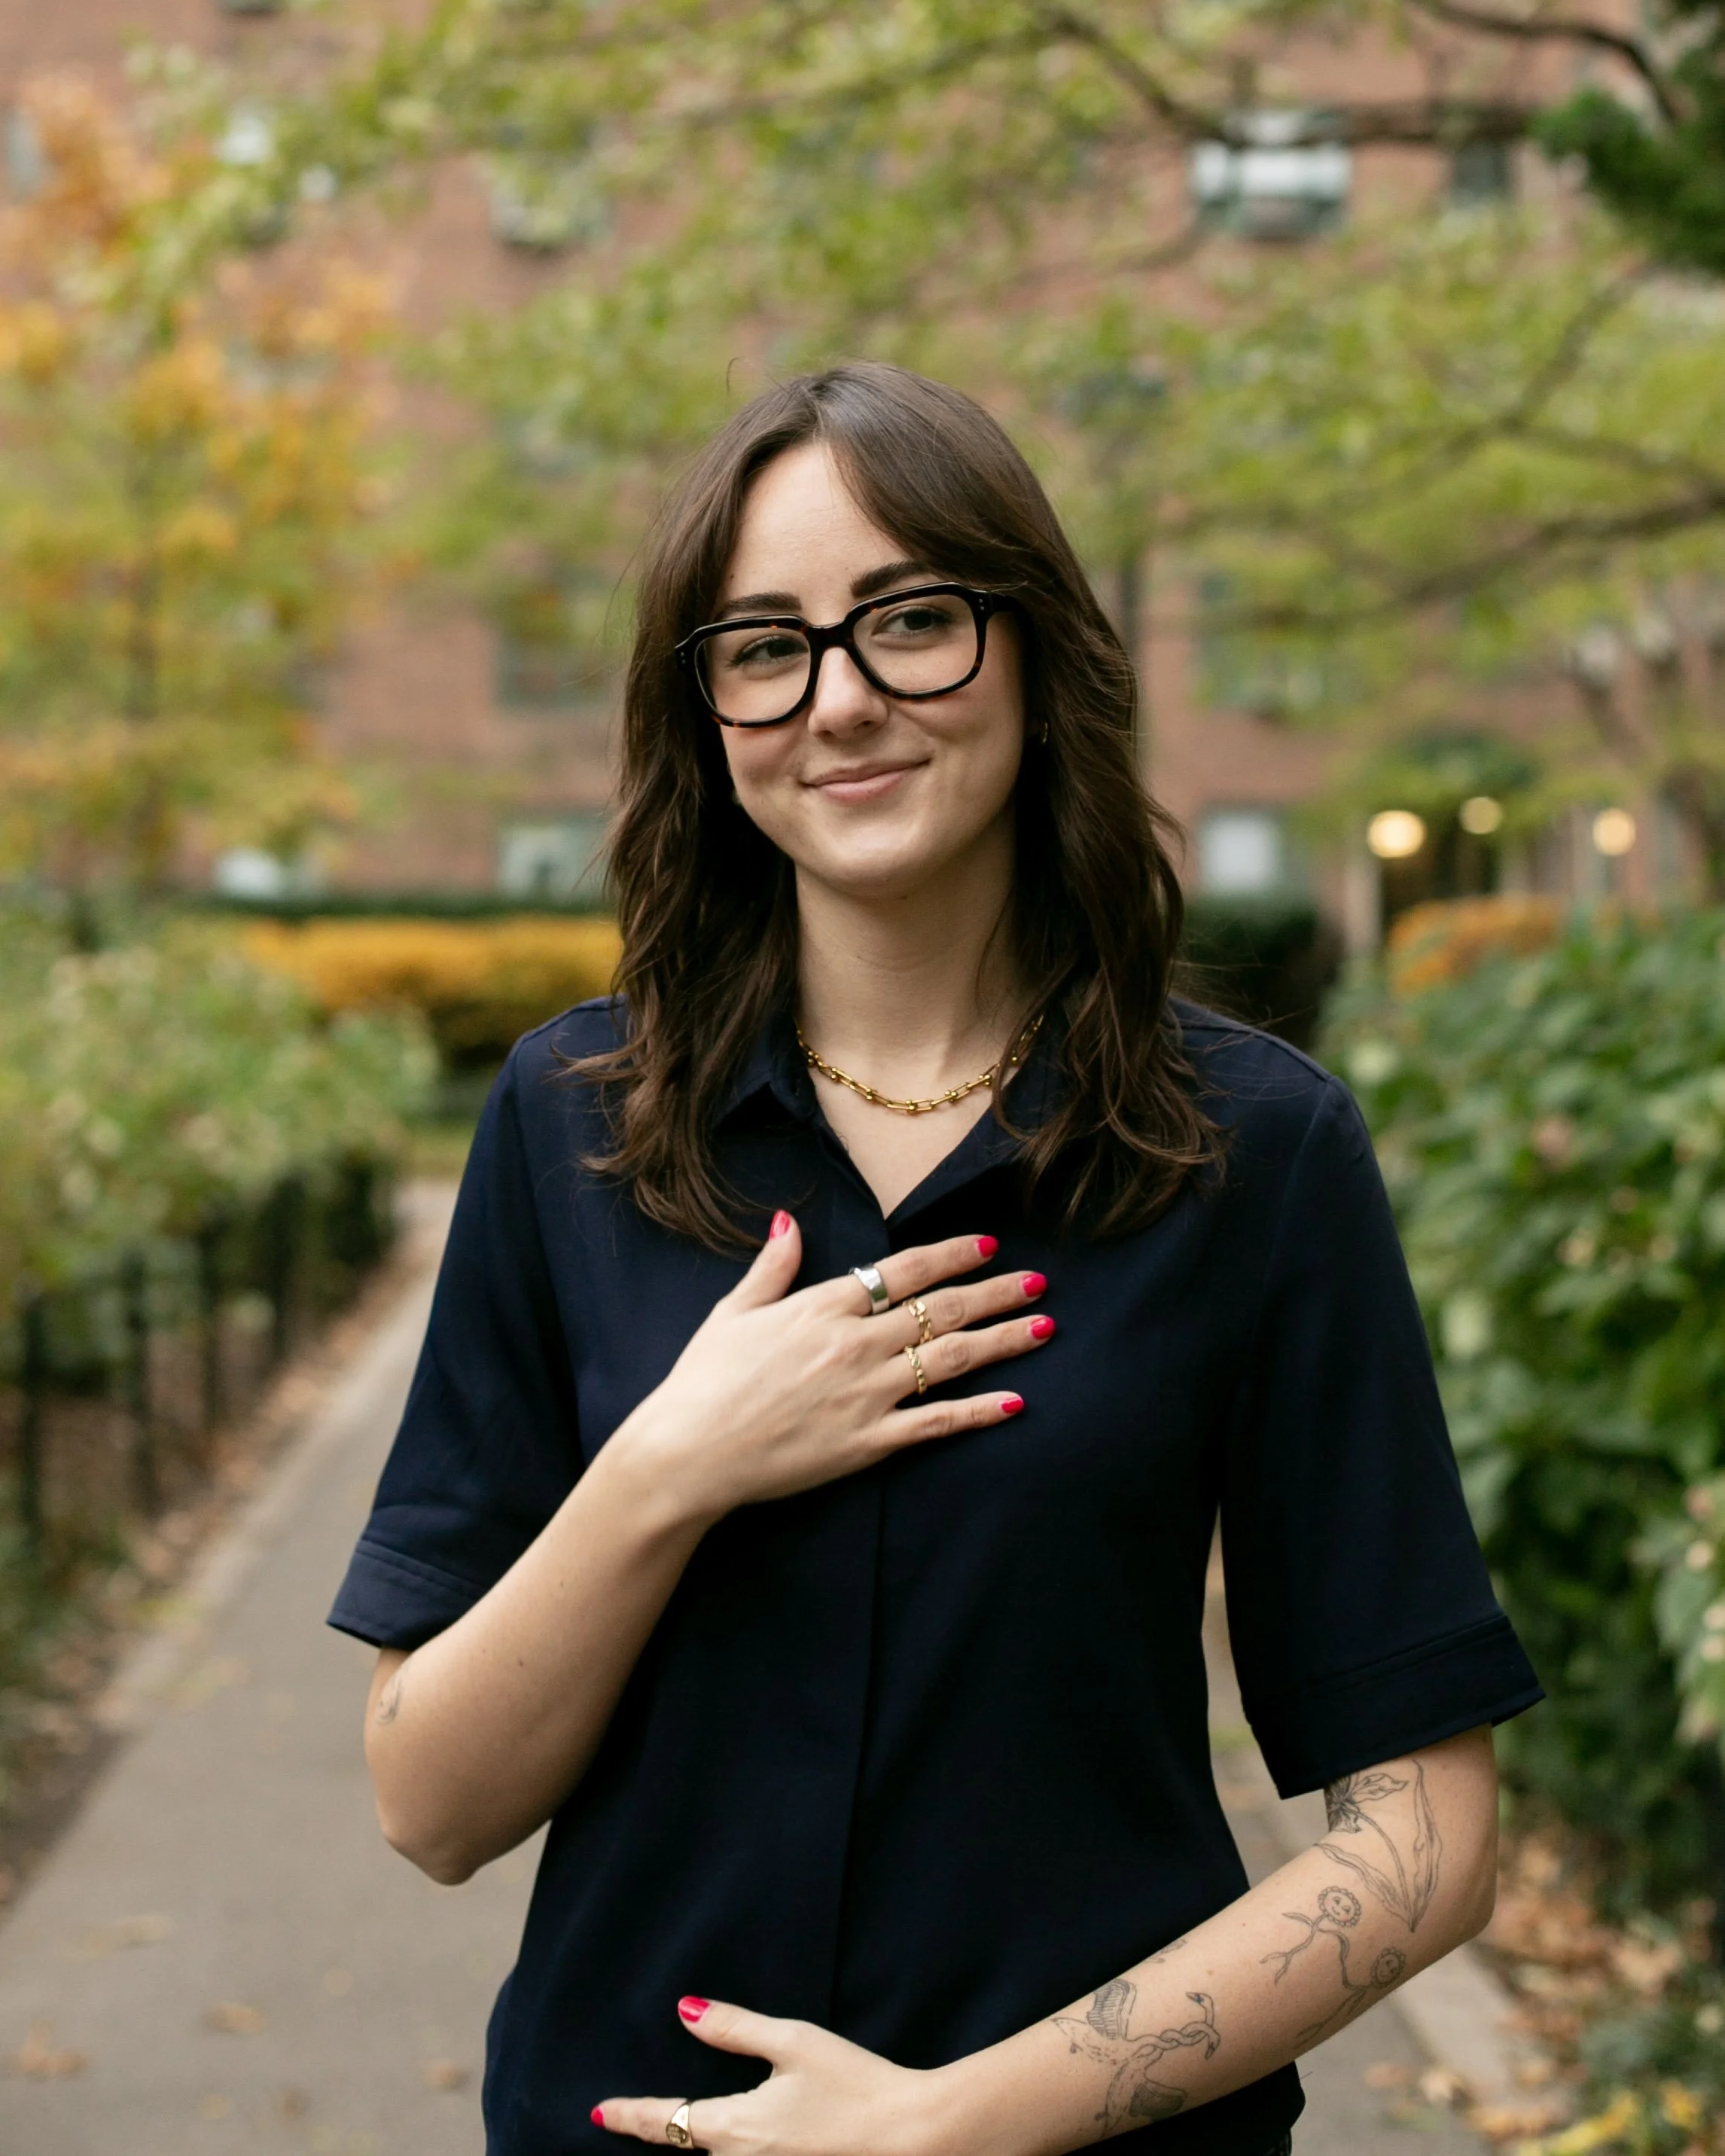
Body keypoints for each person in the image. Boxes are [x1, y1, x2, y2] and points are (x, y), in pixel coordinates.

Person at [329, 362, 1540, 2156]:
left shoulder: (1256, 1152)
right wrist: (672, 1463)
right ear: (707, 710)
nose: (839, 699)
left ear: (1035, 651)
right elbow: (428, 1800)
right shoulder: (571, 1119)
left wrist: (952, 2120)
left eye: (910, 621)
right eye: (763, 645)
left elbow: (1424, 1833)